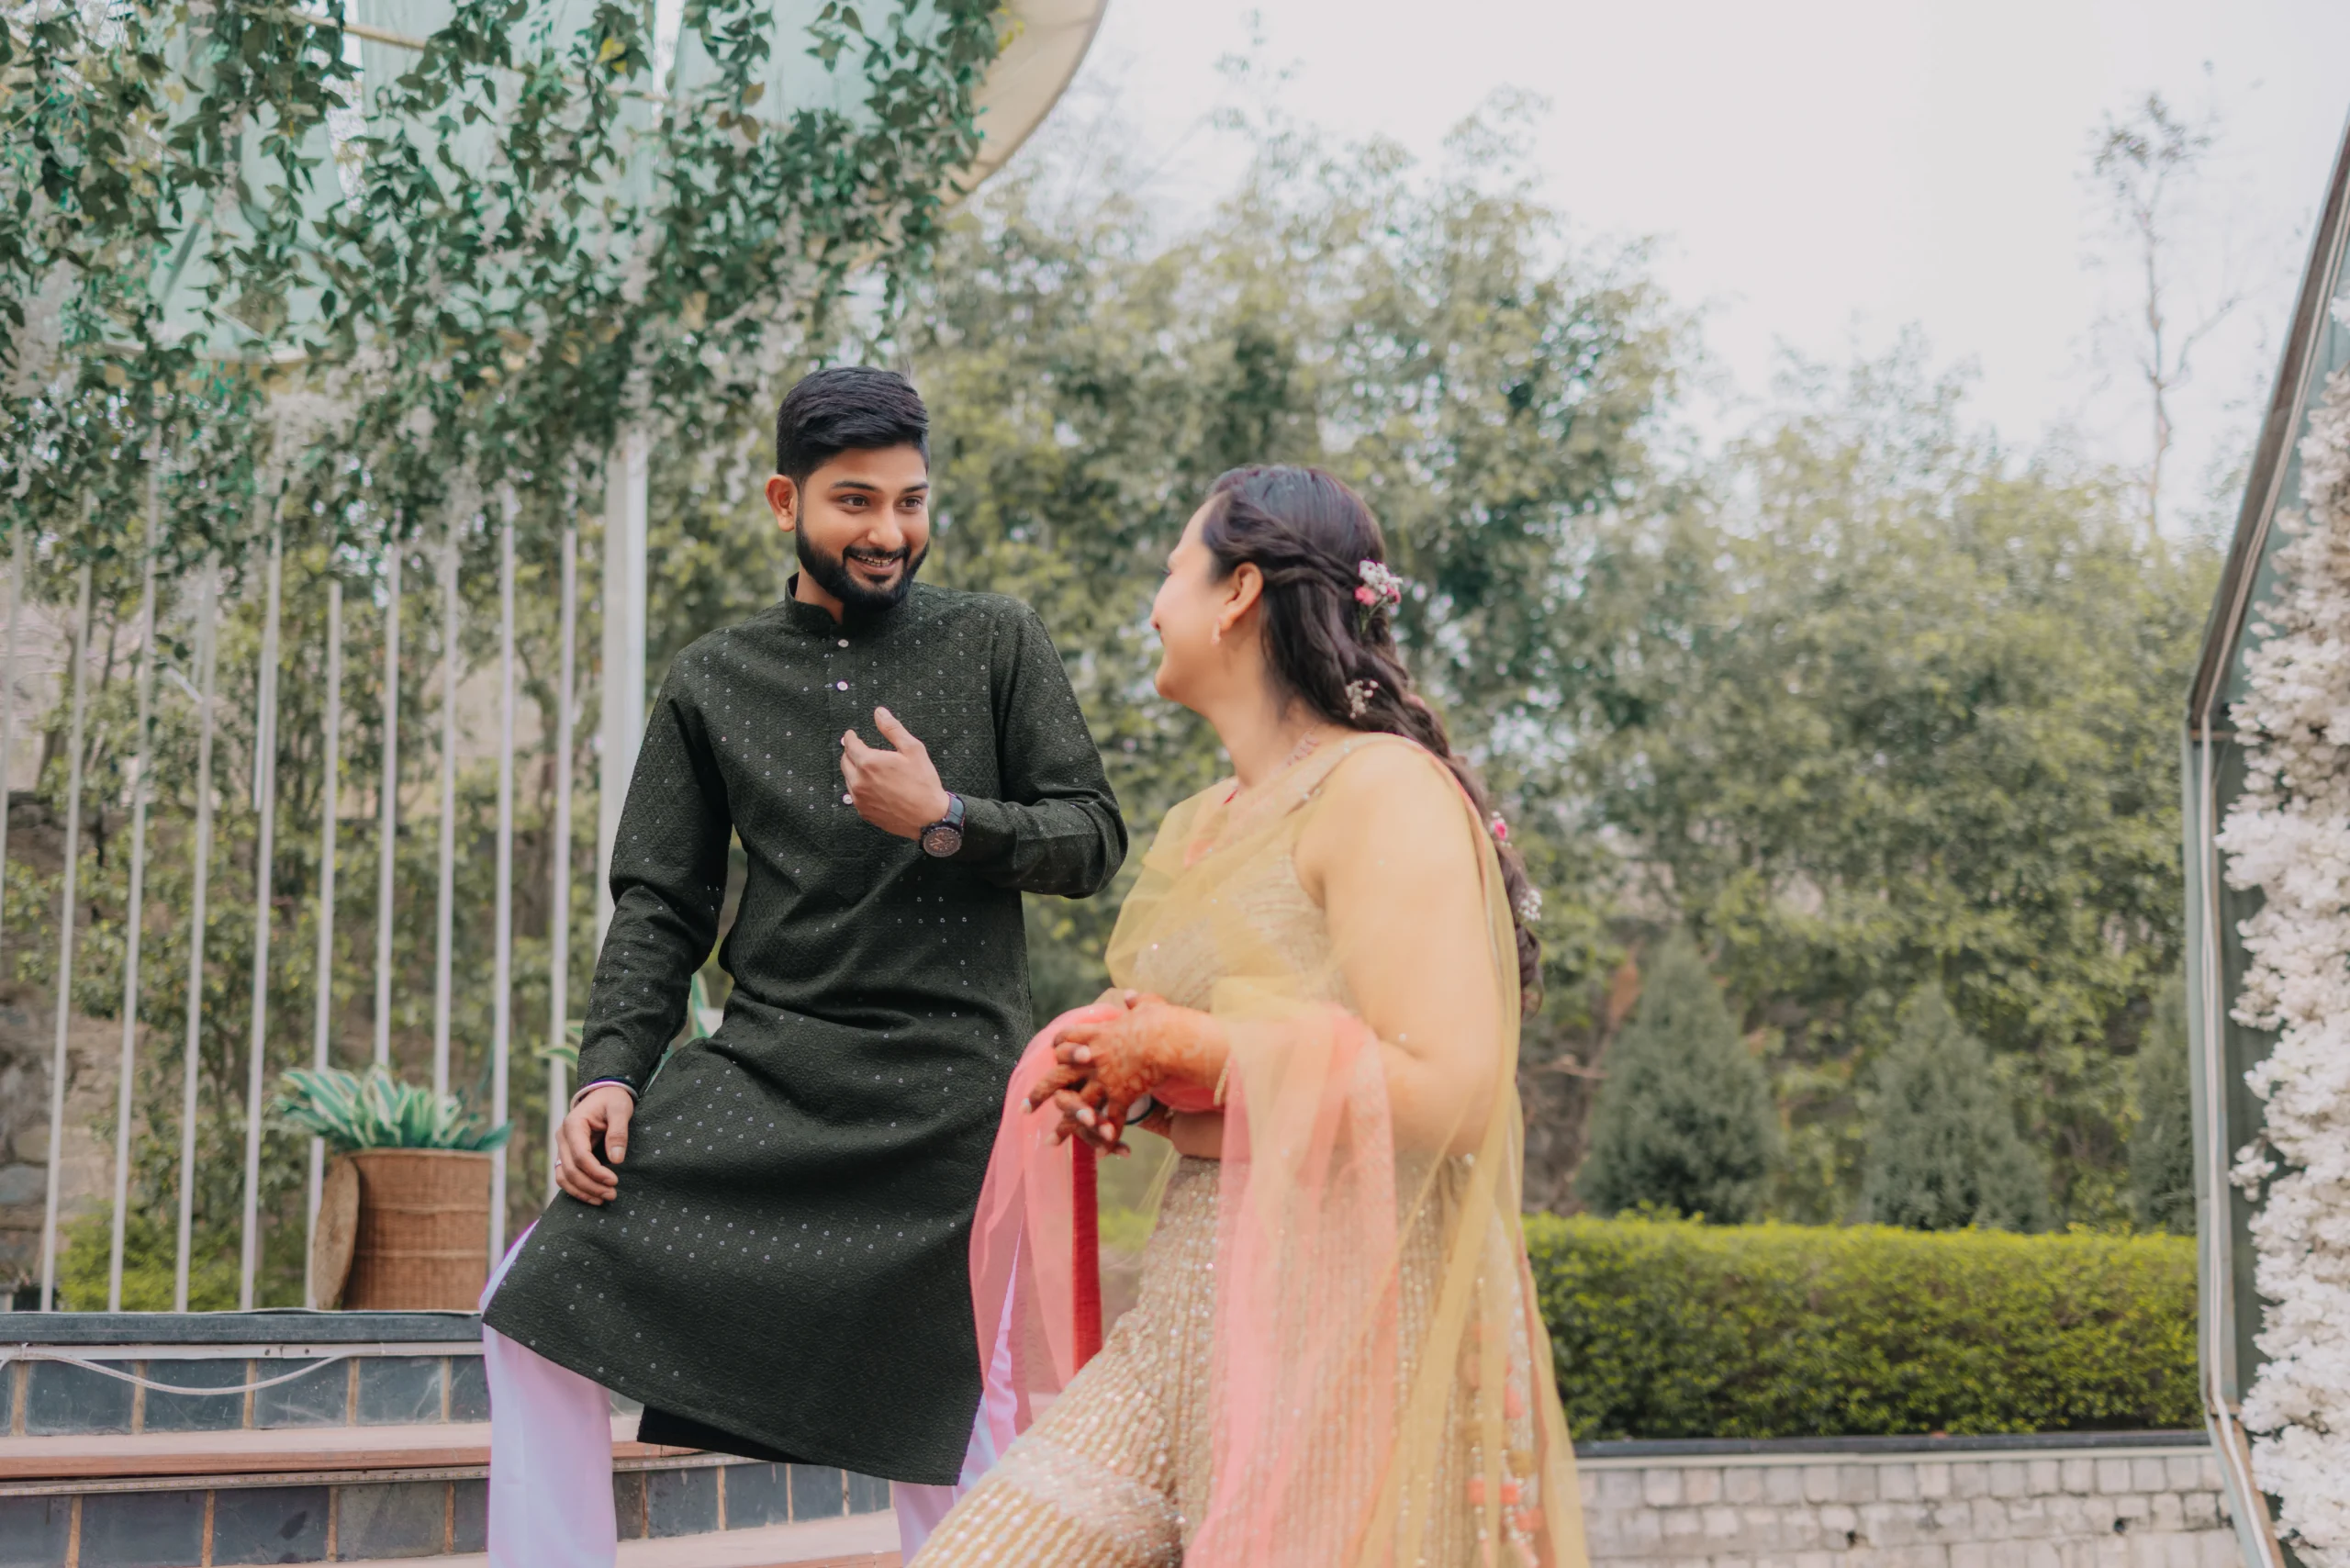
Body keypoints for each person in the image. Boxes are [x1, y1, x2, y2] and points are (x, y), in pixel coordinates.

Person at [478, 366, 1126, 1566]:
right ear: (787, 500)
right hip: (770, 1073)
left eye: (911, 502)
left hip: (948, 1093)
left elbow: (1090, 838)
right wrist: (610, 1072)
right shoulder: (714, 678)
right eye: (855, 502)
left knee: (961, 1409)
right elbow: (661, 904)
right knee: (532, 1296)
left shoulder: (995, 640)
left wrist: (945, 819)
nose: (889, 532)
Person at [913, 465, 1589, 1567]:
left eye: (1172, 571)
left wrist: (1198, 1046)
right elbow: (1245, 1087)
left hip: (1338, 1332)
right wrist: (1134, 1082)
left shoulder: (1381, 789)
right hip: (1181, 1319)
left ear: (1237, 593)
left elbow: (1456, 1093)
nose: (1152, 606)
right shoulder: (1201, 824)